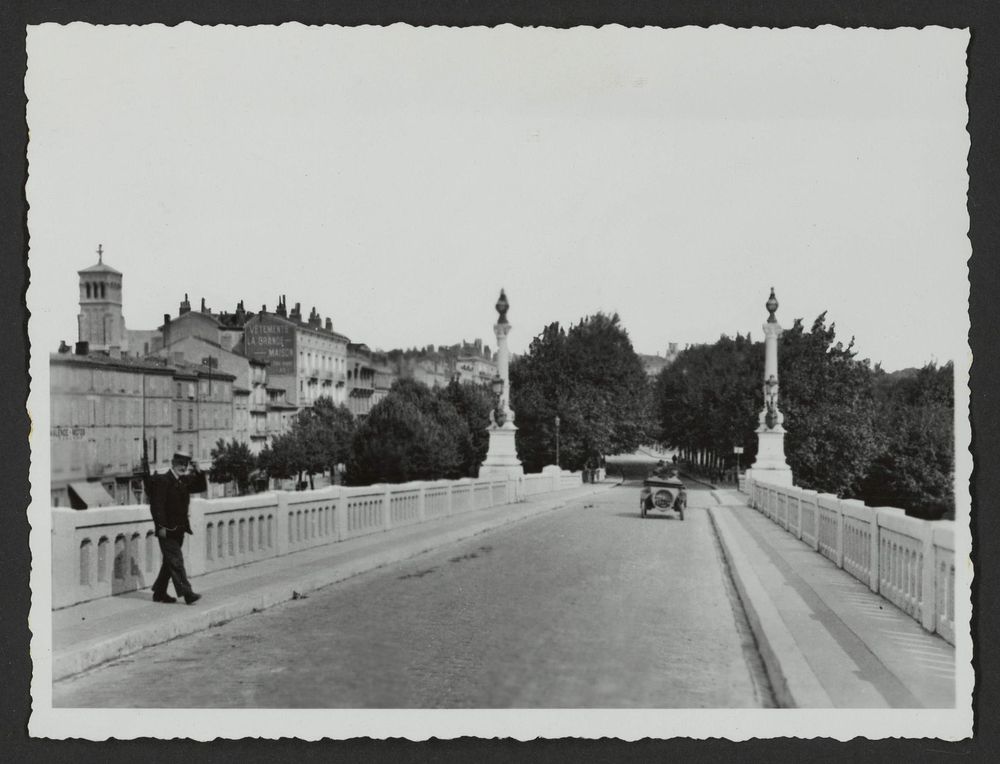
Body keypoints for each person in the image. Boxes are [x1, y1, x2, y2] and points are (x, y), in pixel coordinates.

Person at [146, 450, 207, 605]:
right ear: (173, 464)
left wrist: (198, 470)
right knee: (176, 561)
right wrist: (160, 528)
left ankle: (159, 593)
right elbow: (157, 507)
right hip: (166, 530)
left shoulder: (184, 481)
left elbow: (200, 487)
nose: (183, 467)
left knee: (170, 562)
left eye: (185, 464)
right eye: (180, 464)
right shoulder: (163, 480)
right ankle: (187, 593)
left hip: (179, 530)